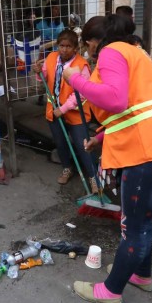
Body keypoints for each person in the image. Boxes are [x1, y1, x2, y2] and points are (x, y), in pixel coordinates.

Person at [63, 15, 152, 303]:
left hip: (148, 153)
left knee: (134, 227)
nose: (89, 51)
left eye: (88, 45)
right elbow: (135, 109)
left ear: (94, 41)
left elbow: (116, 100)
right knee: (143, 219)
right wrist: (102, 136)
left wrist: (76, 80)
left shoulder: (112, 51)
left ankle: (110, 291)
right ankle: (141, 275)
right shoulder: (138, 55)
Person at [32, 30, 98, 192]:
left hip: (75, 113)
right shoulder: (52, 58)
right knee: (60, 143)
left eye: (69, 46)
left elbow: (82, 94)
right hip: (54, 110)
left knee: (84, 145)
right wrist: (38, 72)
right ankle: (67, 168)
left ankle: (93, 177)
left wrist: (63, 109)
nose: (64, 49)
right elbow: (45, 78)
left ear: (76, 48)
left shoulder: (81, 65)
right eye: (61, 46)